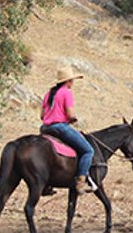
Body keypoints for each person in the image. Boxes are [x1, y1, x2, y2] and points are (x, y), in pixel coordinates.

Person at [40, 66, 95, 194]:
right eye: (72, 80)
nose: (73, 83)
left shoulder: (49, 93)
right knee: (88, 151)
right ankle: (81, 182)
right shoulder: (66, 92)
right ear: (68, 81)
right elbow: (70, 115)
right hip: (60, 127)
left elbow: (42, 115)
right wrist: (73, 119)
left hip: (45, 128)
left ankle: (46, 185)